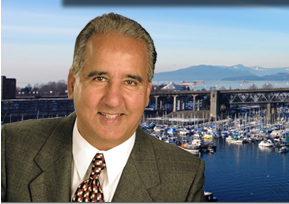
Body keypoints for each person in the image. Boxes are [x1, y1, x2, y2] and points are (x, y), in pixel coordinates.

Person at [1, 13, 206, 202]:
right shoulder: (9, 148)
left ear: (146, 94)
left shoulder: (185, 177)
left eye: (130, 82)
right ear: (72, 83)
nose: (113, 100)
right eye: (100, 78)